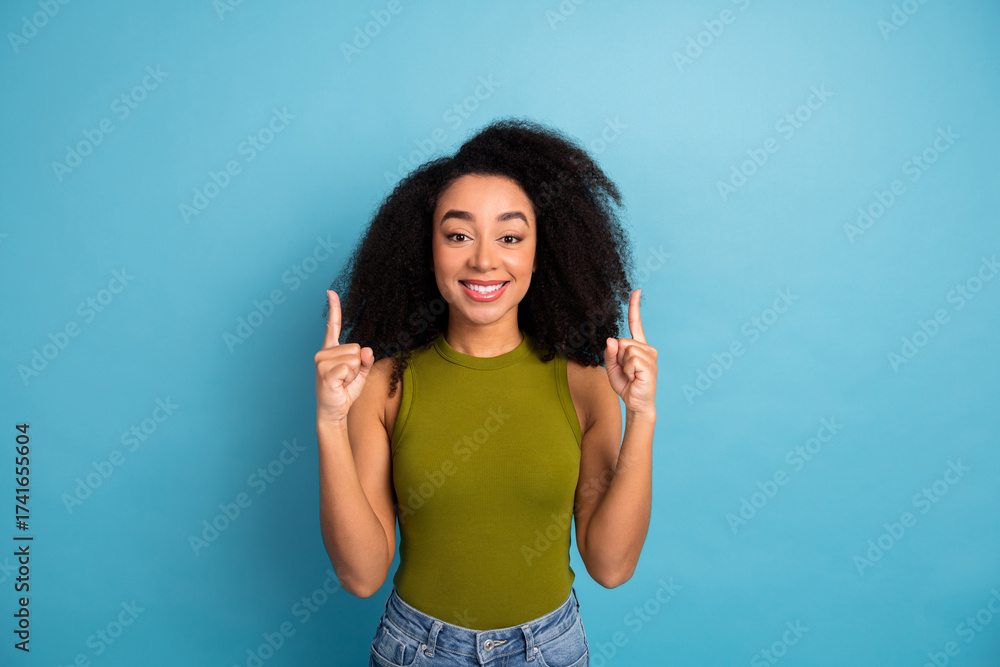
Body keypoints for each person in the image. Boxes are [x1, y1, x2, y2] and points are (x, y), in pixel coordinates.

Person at [314, 118, 657, 667]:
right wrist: (330, 422)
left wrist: (641, 415)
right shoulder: (383, 383)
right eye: (457, 235)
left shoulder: (587, 383)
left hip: (549, 649)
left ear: (542, 252)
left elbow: (610, 567)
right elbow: (361, 575)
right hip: (416, 649)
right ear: (427, 251)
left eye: (510, 236)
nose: (483, 259)